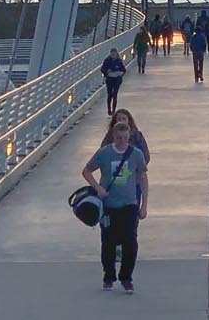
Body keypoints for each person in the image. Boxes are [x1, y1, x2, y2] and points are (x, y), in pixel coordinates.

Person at [82, 110, 148, 292]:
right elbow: (86, 171)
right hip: (109, 205)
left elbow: (143, 178)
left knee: (130, 242)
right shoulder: (104, 153)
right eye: (118, 138)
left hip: (129, 204)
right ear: (113, 136)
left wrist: (144, 205)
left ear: (129, 137)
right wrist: (98, 188)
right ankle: (109, 276)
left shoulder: (135, 154)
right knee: (108, 243)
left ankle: (126, 277)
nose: (121, 141)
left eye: (125, 138)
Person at [100, 47, 126, 115]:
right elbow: (102, 69)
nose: (113, 55)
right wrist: (107, 72)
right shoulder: (107, 60)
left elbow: (123, 70)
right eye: (112, 54)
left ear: (116, 54)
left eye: (114, 54)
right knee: (109, 95)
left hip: (117, 79)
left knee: (115, 94)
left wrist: (120, 73)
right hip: (109, 79)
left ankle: (113, 111)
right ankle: (109, 109)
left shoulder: (119, 61)